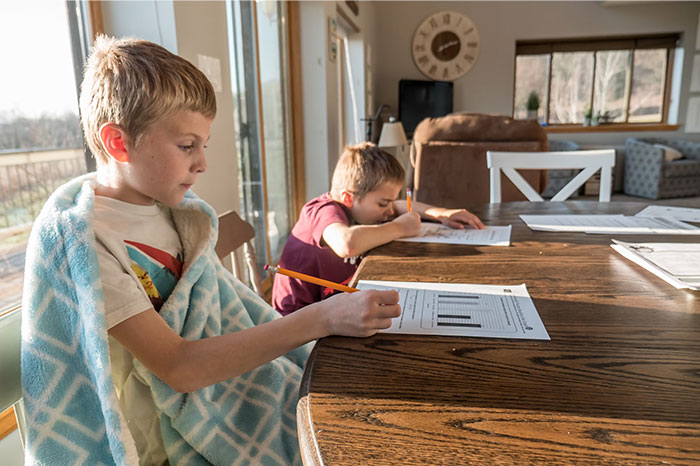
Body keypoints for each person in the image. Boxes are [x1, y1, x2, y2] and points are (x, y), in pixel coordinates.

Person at [20, 36, 399, 466]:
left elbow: (220, 310)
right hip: (156, 448)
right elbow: (179, 368)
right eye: (187, 146)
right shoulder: (85, 243)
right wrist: (322, 317)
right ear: (119, 143)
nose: (202, 163)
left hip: (217, 400)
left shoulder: (177, 214)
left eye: (205, 144)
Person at [272, 142, 485, 315]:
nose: (388, 210)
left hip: (333, 305)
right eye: (382, 204)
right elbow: (347, 243)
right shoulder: (321, 210)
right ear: (348, 197)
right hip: (299, 323)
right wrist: (398, 228)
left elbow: (398, 207)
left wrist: (439, 213)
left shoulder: (357, 207)